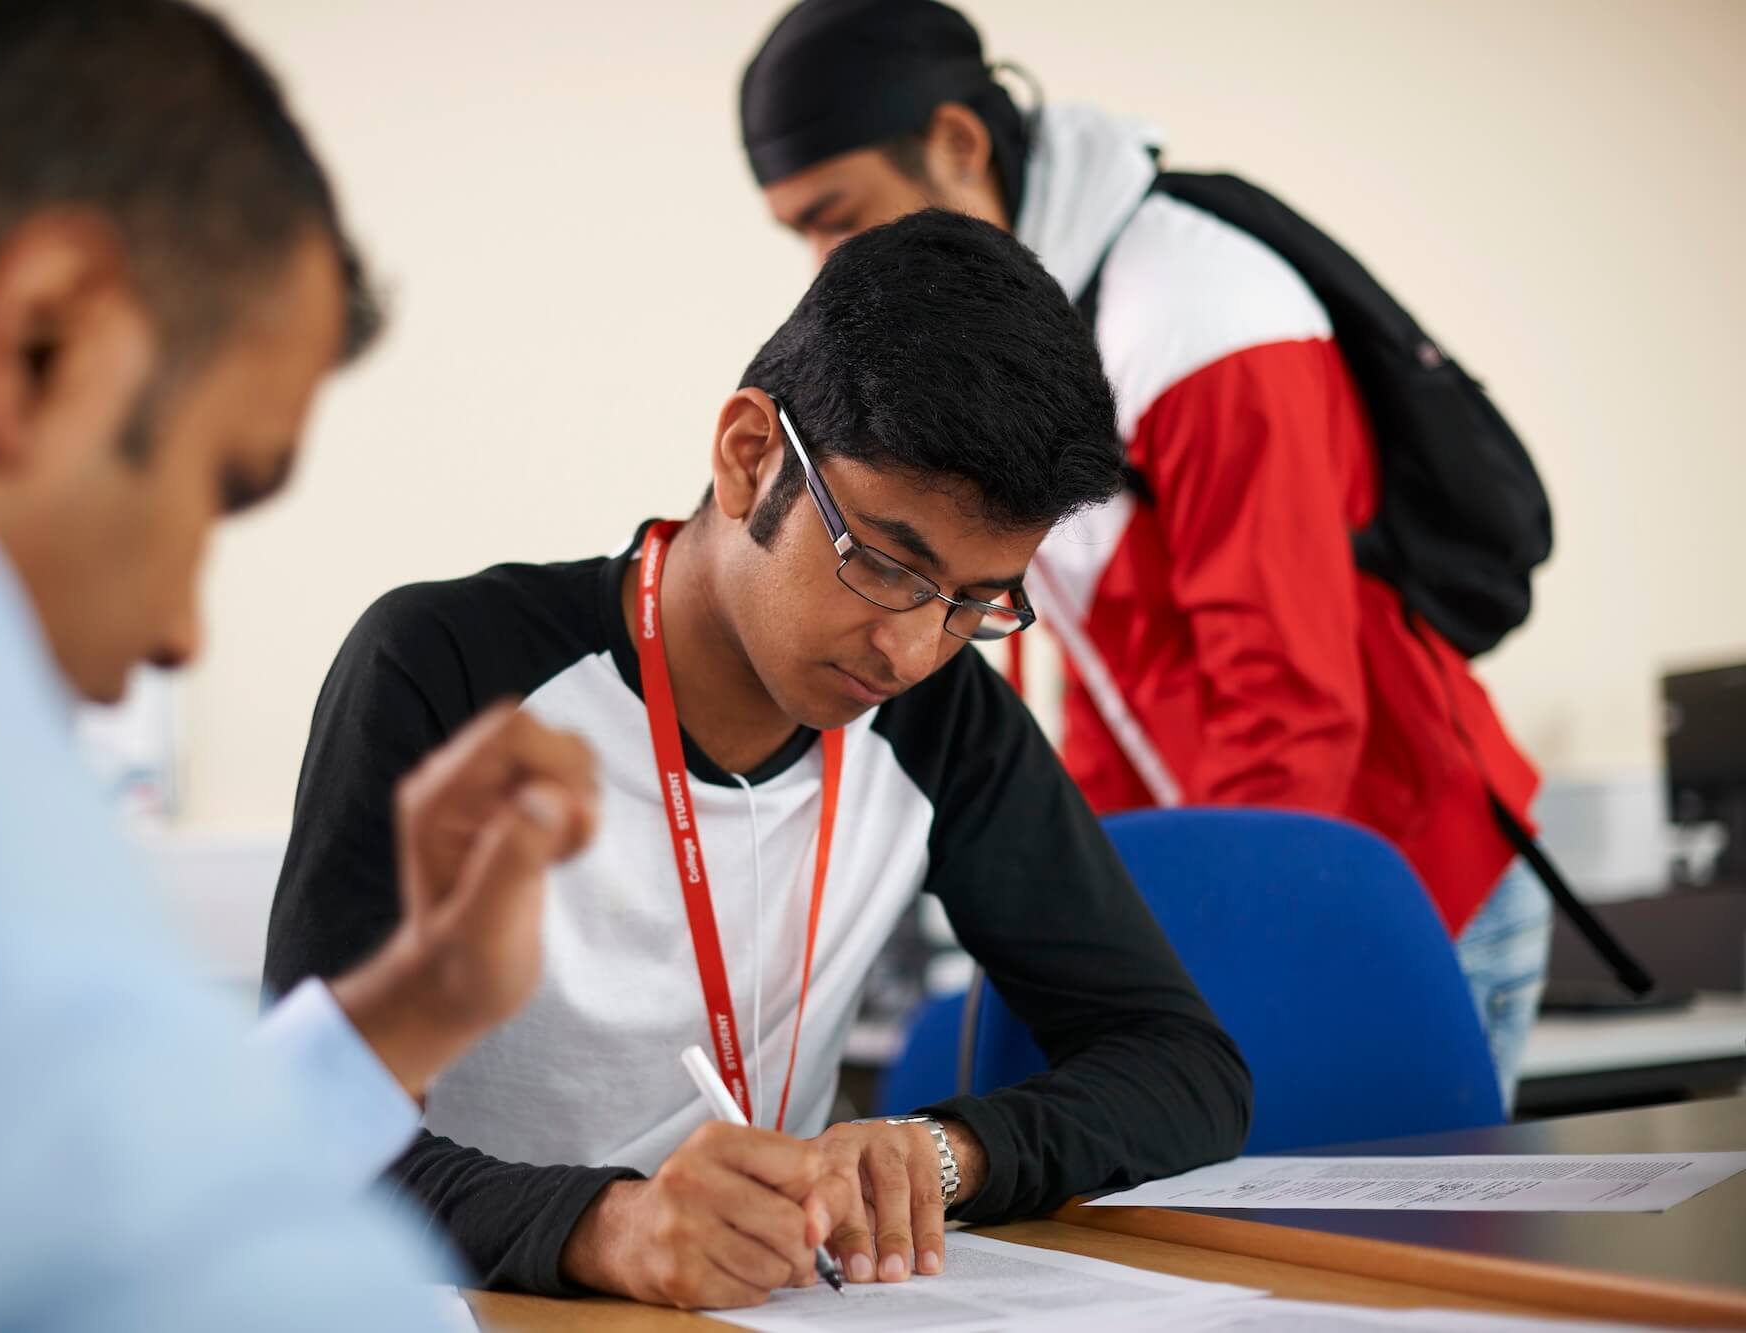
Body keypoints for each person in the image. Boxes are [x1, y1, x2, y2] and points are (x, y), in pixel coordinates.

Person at [0, 2, 601, 1327]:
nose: (180, 637)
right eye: (218, 487)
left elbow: (56, 1186)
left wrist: (411, 1009)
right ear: (46, 340)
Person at [264, 209, 1253, 1311]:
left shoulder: (940, 719)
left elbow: (1184, 1068)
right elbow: (306, 1132)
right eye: (885, 562)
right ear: (748, 457)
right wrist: (605, 1227)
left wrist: (940, 1153)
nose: (912, 647)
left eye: (977, 601)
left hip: (765, 1304)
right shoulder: (448, 669)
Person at [737, 0, 1551, 1108]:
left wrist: (1182, 983)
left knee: (1376, 1277)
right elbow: (1113, 685)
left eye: (836, 218)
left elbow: (1289, 702)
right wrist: (1097, 919)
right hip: (1258, 860)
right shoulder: (1039, 333)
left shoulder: (1196, 315)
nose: (829, 265)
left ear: (959, 146)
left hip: (1389, 884)